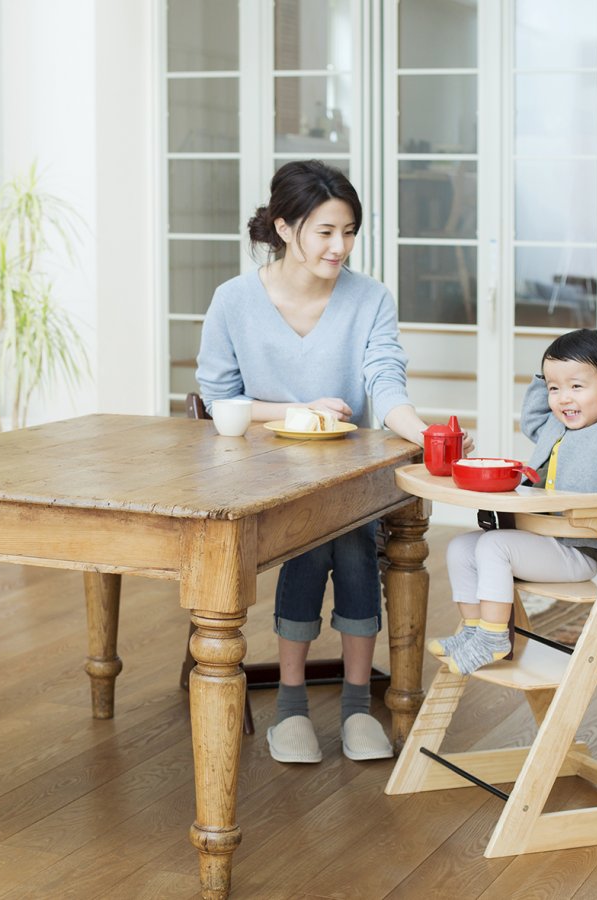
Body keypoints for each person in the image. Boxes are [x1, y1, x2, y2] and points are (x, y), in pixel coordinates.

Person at [196, 160, 471, 764]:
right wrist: (296, 411)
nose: (339, 246)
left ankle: (351, 703)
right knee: (311, 534)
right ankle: (293, 705)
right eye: (325, 232)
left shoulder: (368, 297)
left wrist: (425, 436)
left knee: (346, 536)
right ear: (285, 227)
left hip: (346, 470)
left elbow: (386, 383)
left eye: (348, 232)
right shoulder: (234, 300)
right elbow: (219, 399)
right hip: (263, 471)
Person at [428, 328, 597, 675]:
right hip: (541, 541)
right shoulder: (555, 429)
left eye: (576, 386)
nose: (563, 398)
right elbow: (533, 418)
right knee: (460, 547)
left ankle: (493, 639)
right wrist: (545, 377)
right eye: (555, 388)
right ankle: (475, 631)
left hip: (575, 551)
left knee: (493, 547)